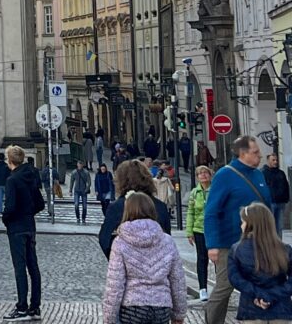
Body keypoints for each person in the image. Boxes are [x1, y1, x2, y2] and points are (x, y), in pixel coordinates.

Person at [203, 135, 272, 324]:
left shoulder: (258, 174)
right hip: (230, 244)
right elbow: (211, 212)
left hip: (259, 243)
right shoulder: (225, 175)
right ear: (243, 154)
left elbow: (267, 208)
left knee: (260, 284)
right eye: (255, 152)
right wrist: (213, 245)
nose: (260, 156)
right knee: (224, 287)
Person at [101, 191, 188, 324]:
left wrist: (110, 318)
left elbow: (115, 283)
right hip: (161, 306)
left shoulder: (120, 242)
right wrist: (179, 313)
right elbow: (177, 279)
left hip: (131, 306)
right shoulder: (167, 241)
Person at [227, 201, 292, 321]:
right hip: (281, 308)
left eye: (243, 222)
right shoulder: (285, 250)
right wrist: (271, 295)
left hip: (251, 308)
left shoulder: (237, 250)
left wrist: (257, 294)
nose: (241, 226)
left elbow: (235, 278)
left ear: (250, 224)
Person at [1, 144, 44, 321]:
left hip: (16, 228)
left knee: (20, 268)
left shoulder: (12, 180)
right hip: (29, 226)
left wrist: (6, 218)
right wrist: (28, 212)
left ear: (9, 160)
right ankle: (35, 307)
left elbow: (10, 207)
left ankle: (21, 307)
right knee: (33, 267)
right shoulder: (30, 176)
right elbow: (40, 203)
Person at [99, 160, 172, 258]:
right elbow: (167, 239)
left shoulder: (116, 207)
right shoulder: (160, 206)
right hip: (155, 265)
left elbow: (105, 239)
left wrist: (117, 259)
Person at [187, 165, 213, 302]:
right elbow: (190, 212)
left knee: (217, 259)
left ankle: (220, 287)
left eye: (205, 172)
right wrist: (189, 231)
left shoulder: (215, 190)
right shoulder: (194, 193)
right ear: (197, 177)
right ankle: (203, 288)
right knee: (202, 258)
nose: (203, 175)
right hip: (199, 230)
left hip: (214, 229)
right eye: (200, 174)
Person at [263, 153, 290, 233]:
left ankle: (278, 244)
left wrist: (286, 198)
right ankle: (270, 244)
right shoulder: (263, 173)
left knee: (279, 226)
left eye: (276, 160)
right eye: (273, 160)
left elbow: (286, 186)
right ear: (268, 160)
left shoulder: (281, 173)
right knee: (270, 226)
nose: (275, 162)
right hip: (270, 203)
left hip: (281, 203)